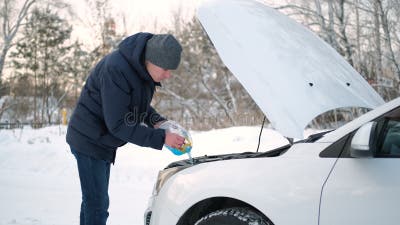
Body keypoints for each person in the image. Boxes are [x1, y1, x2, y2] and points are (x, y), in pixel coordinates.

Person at [66, 33, 186, 225]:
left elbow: (139, 105)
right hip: (88, 139)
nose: (168, 75)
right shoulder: (116, 70)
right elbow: (119, 124)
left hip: (103, 139)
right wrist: (161, 137)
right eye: (165, 68)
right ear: (151, 60)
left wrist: (158, 122)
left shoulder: (141, 70)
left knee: (93, 201)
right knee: (97, 204)